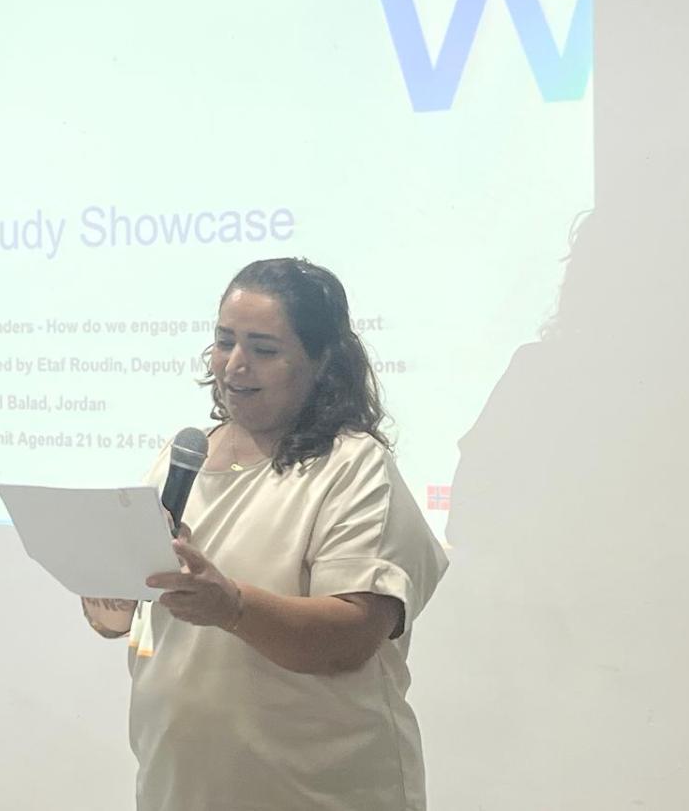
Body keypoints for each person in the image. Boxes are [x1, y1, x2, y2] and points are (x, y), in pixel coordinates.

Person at [83, 257, 448, 811]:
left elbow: (352, 637)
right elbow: (119, 620)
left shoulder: (352, 467)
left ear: (322, 361)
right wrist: (106, 589)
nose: (234, 365)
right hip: (181, 788)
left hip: (319, 794)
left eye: (263, 349)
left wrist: (231, 606)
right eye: (224, 341)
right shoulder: (182, 457)